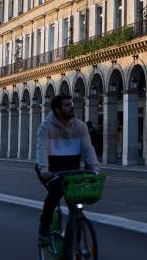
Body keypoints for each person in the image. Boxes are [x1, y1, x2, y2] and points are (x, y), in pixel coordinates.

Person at [35, 94, 99, 240]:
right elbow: (42, 150)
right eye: (67, 105)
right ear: (57, 110)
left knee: (75, 205)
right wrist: (44, 170)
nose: (71, 107)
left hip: (72, 169)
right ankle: (44, 225)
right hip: (52, 169)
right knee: (55, 193)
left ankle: (73, 248)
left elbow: (88, 149)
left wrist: (94, 170)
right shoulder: (46, 127)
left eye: (71, 104)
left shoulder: (80, 126)